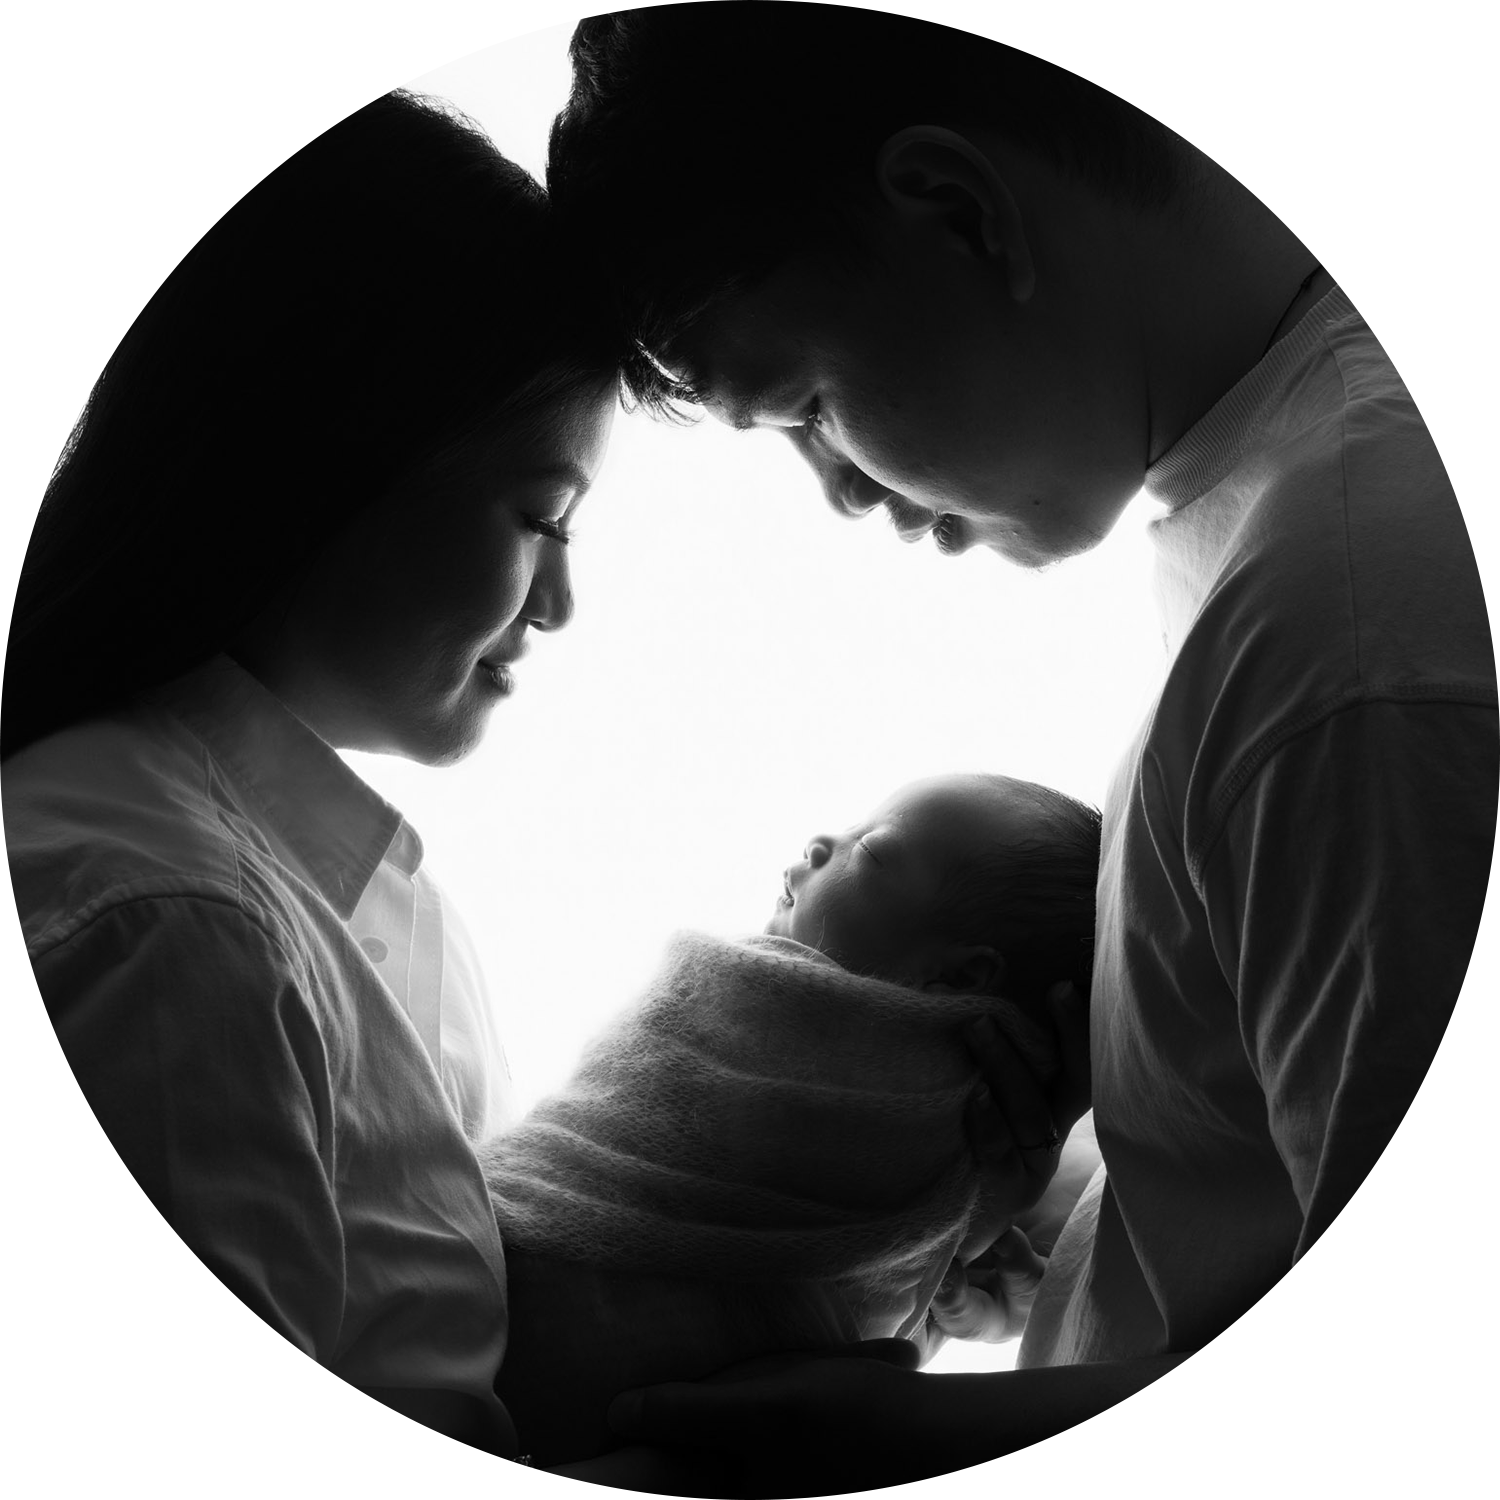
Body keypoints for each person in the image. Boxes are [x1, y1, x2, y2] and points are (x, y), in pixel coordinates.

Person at [542, 7, 1500, 1491]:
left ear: (961, 215)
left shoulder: (1351, 624)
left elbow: (1422, 1393)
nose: (843, 493)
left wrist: (906, 1441)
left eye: (804, 406)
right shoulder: (1277, 515)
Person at [1, 89, 621, 1457]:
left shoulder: (355, 910)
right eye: (542, 518)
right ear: (331, 457)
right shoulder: (174, 921)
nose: (560, 605)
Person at [482, 773, 1100, 1467]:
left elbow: (824, 1322)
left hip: (601, 1379)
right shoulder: (976, 1151)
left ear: (957, 978)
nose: (819, 842)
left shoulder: (945, 1123)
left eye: (870, 847)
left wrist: (951, 1264)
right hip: (548, 1330)